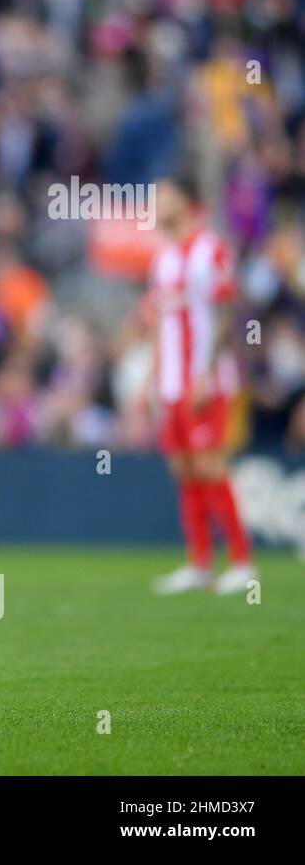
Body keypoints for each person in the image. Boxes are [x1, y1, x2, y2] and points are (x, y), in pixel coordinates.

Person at [148, 178, 256, 596]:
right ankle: (201, 563)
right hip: (172, 382)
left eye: (164, 195)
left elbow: (227, 312)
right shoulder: (162, 259)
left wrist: (206, 373)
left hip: (204, 378)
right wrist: (153, 380)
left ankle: (243, 561)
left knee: (212, 464)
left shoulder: (210, 250)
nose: (157, 204)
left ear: (185, 201)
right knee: (183, 468)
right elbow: (160, 322)